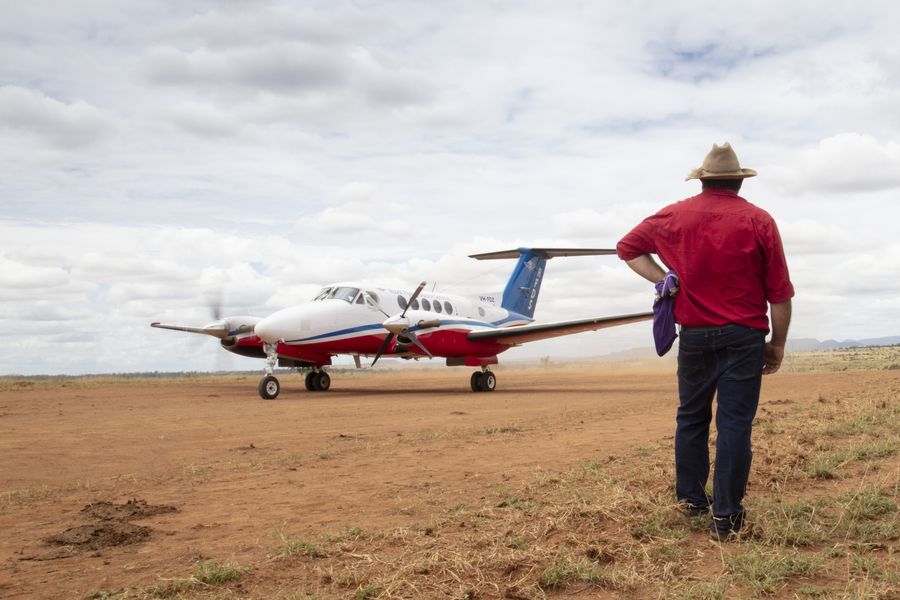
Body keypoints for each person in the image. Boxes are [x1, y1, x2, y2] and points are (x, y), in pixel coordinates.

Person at [616, 142, 794, 541]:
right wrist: (777, 344)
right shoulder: (759, 220)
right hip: (745, 338)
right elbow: (780, 293)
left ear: (702, 181)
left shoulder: (673, 216)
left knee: (691, 418)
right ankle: (726, 519)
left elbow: (627, 248)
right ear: (739, 182)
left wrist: (664, 278)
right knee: (734, 424)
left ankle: (692, 503)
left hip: (694, 337)